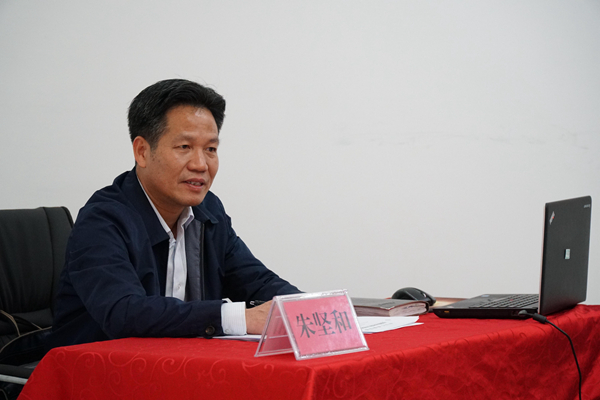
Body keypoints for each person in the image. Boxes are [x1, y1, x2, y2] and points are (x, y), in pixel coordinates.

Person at [48, 79, 300, 348]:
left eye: (210, 149)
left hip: (180, 365)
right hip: (96, 368)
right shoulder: (102, 220)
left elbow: (257, 281)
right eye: (184, 147)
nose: (200, 164)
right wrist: (238, 318)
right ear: (142, 152)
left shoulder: (208, 211)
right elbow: (125, 313)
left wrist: (307, 308)